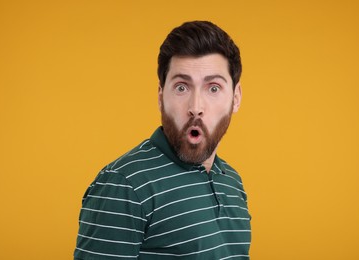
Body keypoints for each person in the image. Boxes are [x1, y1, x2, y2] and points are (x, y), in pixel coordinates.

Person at [74, 20, 251, 259]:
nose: (196, 107)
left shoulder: (232, 182)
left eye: (213, 88)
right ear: (161, 97)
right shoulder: (124, 185)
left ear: (236, 97)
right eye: (181, 87)